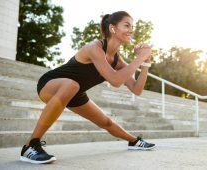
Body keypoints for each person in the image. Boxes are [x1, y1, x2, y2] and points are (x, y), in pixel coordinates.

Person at [20, 11, 155, 164]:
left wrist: (145, 64)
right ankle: (30, 145)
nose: (132, 29)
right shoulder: (94, 47)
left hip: (74, 91)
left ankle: (134, 141)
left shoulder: (117, 60)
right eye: (127, 25)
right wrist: (139, 57)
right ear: (112, 28)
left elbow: (137, 89)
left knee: (106, 122)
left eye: (133, 26)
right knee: (72, 84)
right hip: (51, 84)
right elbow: (115, 80)